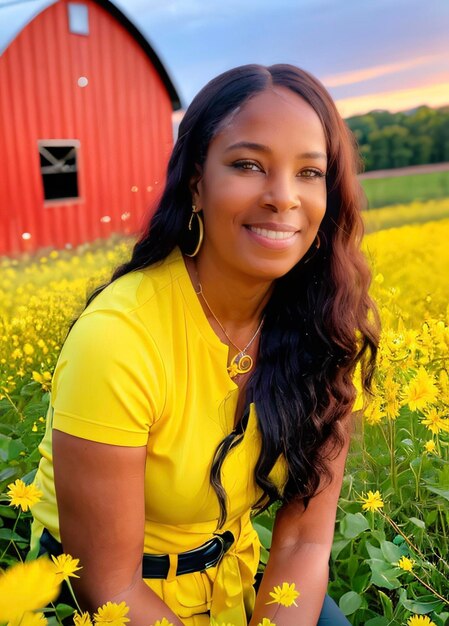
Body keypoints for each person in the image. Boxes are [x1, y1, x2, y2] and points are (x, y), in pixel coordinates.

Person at [31, 64, 379, 626]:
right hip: (104, 601)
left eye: (309, 172)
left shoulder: (324, 324)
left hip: (232, 585)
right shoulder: (119, 338)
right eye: (248, 165)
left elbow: (303, 545)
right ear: (197, 181)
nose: (283, 197)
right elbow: (107, 583)